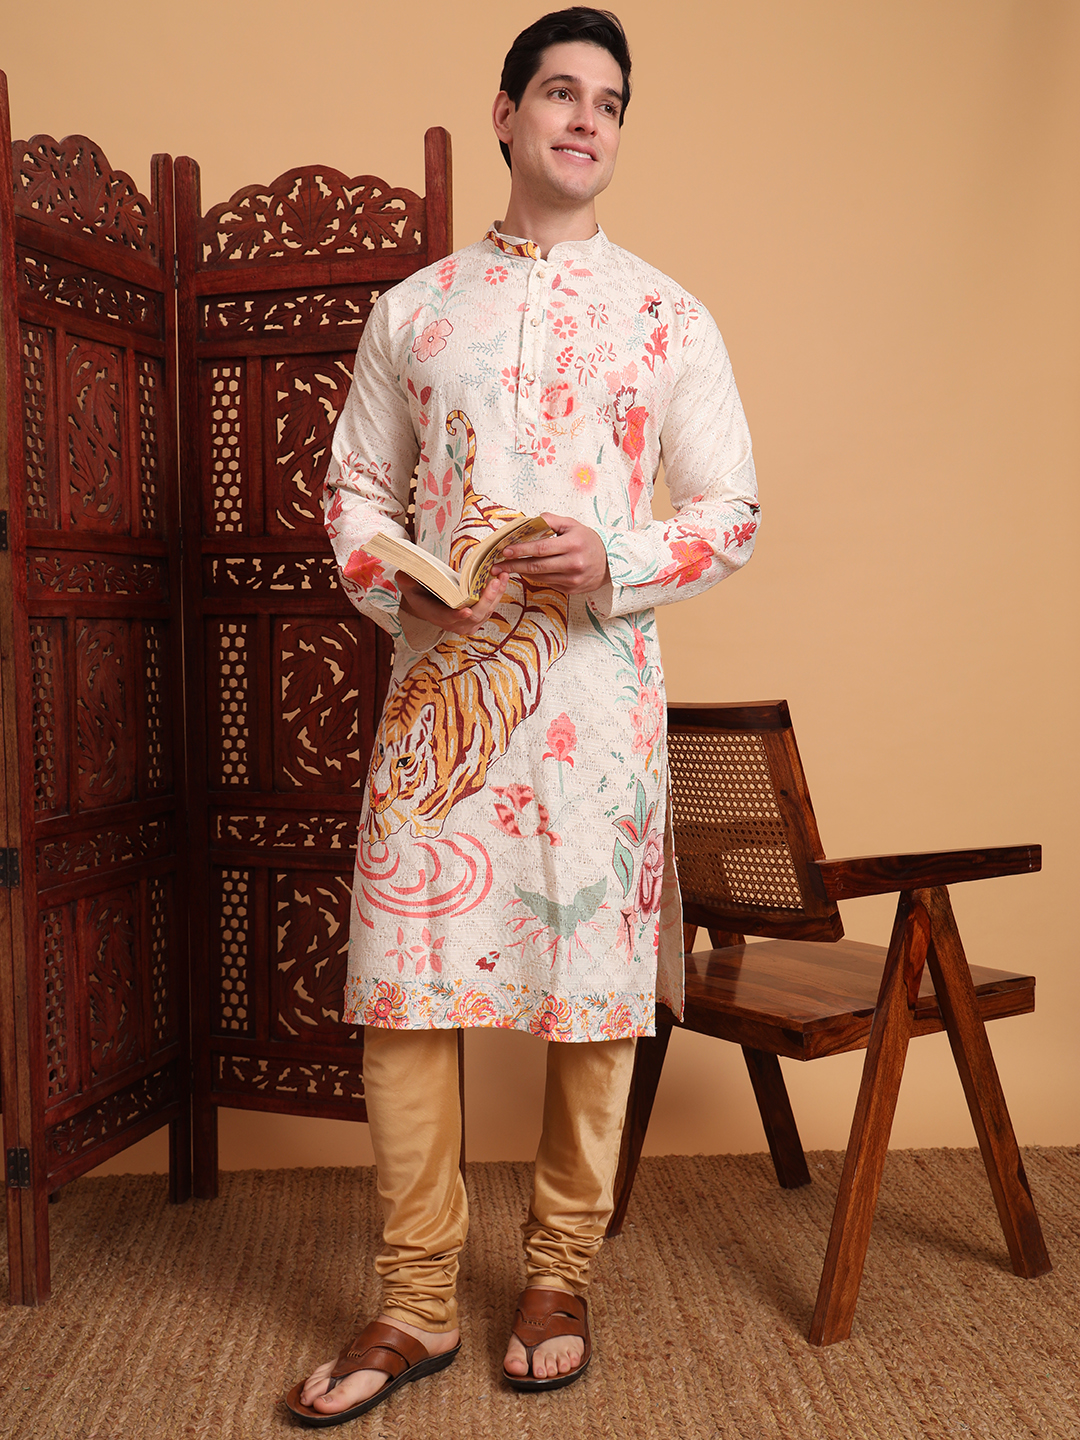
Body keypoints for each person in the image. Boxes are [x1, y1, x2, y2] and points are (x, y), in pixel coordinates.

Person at [285, 6, 758, 1425]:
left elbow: (733, 511)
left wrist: (615, 558)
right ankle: (415, 1299)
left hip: (597, 707)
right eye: (560, 92)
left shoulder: (668, 316)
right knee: (405, 993)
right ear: (506, 114)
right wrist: (404, 582)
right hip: (441, 705)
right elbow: (353, 494)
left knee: (593, 997)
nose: (586, 119)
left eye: (609, 102)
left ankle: (559, 1277)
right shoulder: (416, 310)